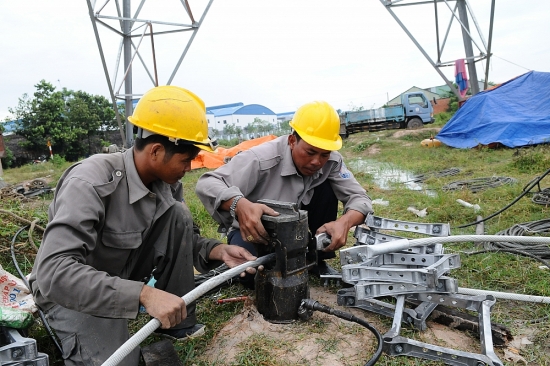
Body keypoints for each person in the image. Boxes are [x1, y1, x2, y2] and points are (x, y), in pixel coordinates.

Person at [28, 86, 260, 366]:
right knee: (118, 361)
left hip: (121, 276)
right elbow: (55, 273)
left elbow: (181, 238)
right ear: (156, 151)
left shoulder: (166, 183)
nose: (188, 169)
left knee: (178, 215)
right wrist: (143, 294)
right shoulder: (90, 183)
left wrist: (219, 251)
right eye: (185, 160)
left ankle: (177, 323)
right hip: (70, 291)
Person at [195, 100, 373, 285]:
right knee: (251, 274)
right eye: (310, 152)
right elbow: (207, 183)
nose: (317, 162)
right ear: (292, 141)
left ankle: (316, 260)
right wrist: (240, 205)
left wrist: (344, 223)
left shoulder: (332, 162)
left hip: (299, 228)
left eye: (324, 154)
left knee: (327, 187)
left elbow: (360, 198)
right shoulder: (261, 158)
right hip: (259, 231)